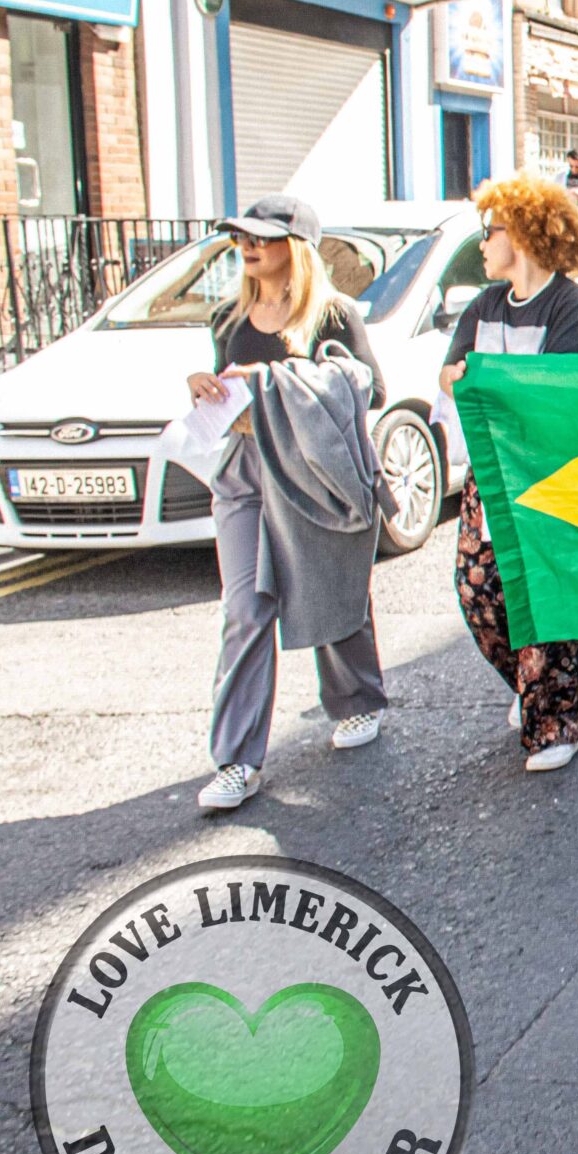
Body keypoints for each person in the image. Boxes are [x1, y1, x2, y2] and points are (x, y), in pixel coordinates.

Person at [190, 195, 392, 811]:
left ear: (295, 247)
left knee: (328, 587)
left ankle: (358, 700)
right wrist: (206, 388)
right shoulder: (229, 318)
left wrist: (282, 384)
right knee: (246, 609)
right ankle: (237, 759)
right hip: (246, 472)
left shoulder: (331, 316)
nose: (248, 247)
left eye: (261, 238)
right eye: (241, 238)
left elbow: (371, 387)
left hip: (309, 471)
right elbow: (225, 386)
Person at [440, 175, 578, 775]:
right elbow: (451, 372)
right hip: (491, 474)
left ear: (527, 233)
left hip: (549, 474)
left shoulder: (571, 306)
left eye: (493, 230)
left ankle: (554, 721)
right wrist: (462, 379)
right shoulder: (483, 306)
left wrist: (489, 381)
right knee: (479, 593)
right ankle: (529, 685)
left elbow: (557, 391)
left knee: (547, 597)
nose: (483, 243)